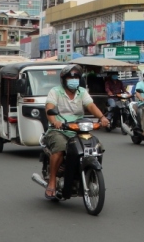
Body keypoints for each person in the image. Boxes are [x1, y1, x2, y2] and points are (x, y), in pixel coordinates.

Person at [44, 64, 109, 200]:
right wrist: (55, 121)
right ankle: (52, 180)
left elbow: (91, 106)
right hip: (59, 129)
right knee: (60, 148)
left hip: (78, 129)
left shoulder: (82, 92)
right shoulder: (55, 91)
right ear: (64, 79)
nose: (74, 80)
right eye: (70, 77)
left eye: (76, 78)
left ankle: (90, 175)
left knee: (97, 147)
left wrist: (102, 118)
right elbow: (49, 108)